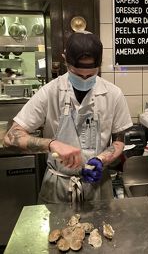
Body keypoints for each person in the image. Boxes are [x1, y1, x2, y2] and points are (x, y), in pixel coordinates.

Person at [3, 31, 133, 204]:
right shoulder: (50, 92)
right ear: (65, 60)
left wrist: (101, 160)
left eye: (91, 75)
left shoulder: (113, 94)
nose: (85, 79)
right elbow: (10, 138)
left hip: (98, 188)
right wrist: (51, 144)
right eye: (78, 74)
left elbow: (119, 139)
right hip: (57, 186)